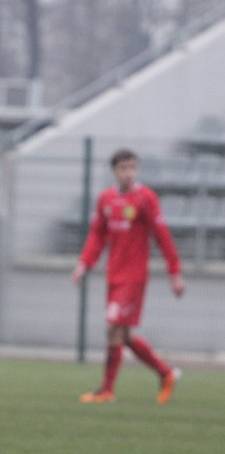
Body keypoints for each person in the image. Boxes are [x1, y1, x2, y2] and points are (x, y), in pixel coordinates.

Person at [72, 148, 185, 404]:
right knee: (122, 336)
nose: (129, 173)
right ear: (114, 171)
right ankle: (165, 373)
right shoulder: (106, 200)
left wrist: (174, 271)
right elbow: (96, 236)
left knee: (113, 329)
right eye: (124, 168)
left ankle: (107, 390)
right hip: (114, 275)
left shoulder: (146, 198)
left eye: (133, 168)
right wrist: (83, 264)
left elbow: (162, 235)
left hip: (134, 277)